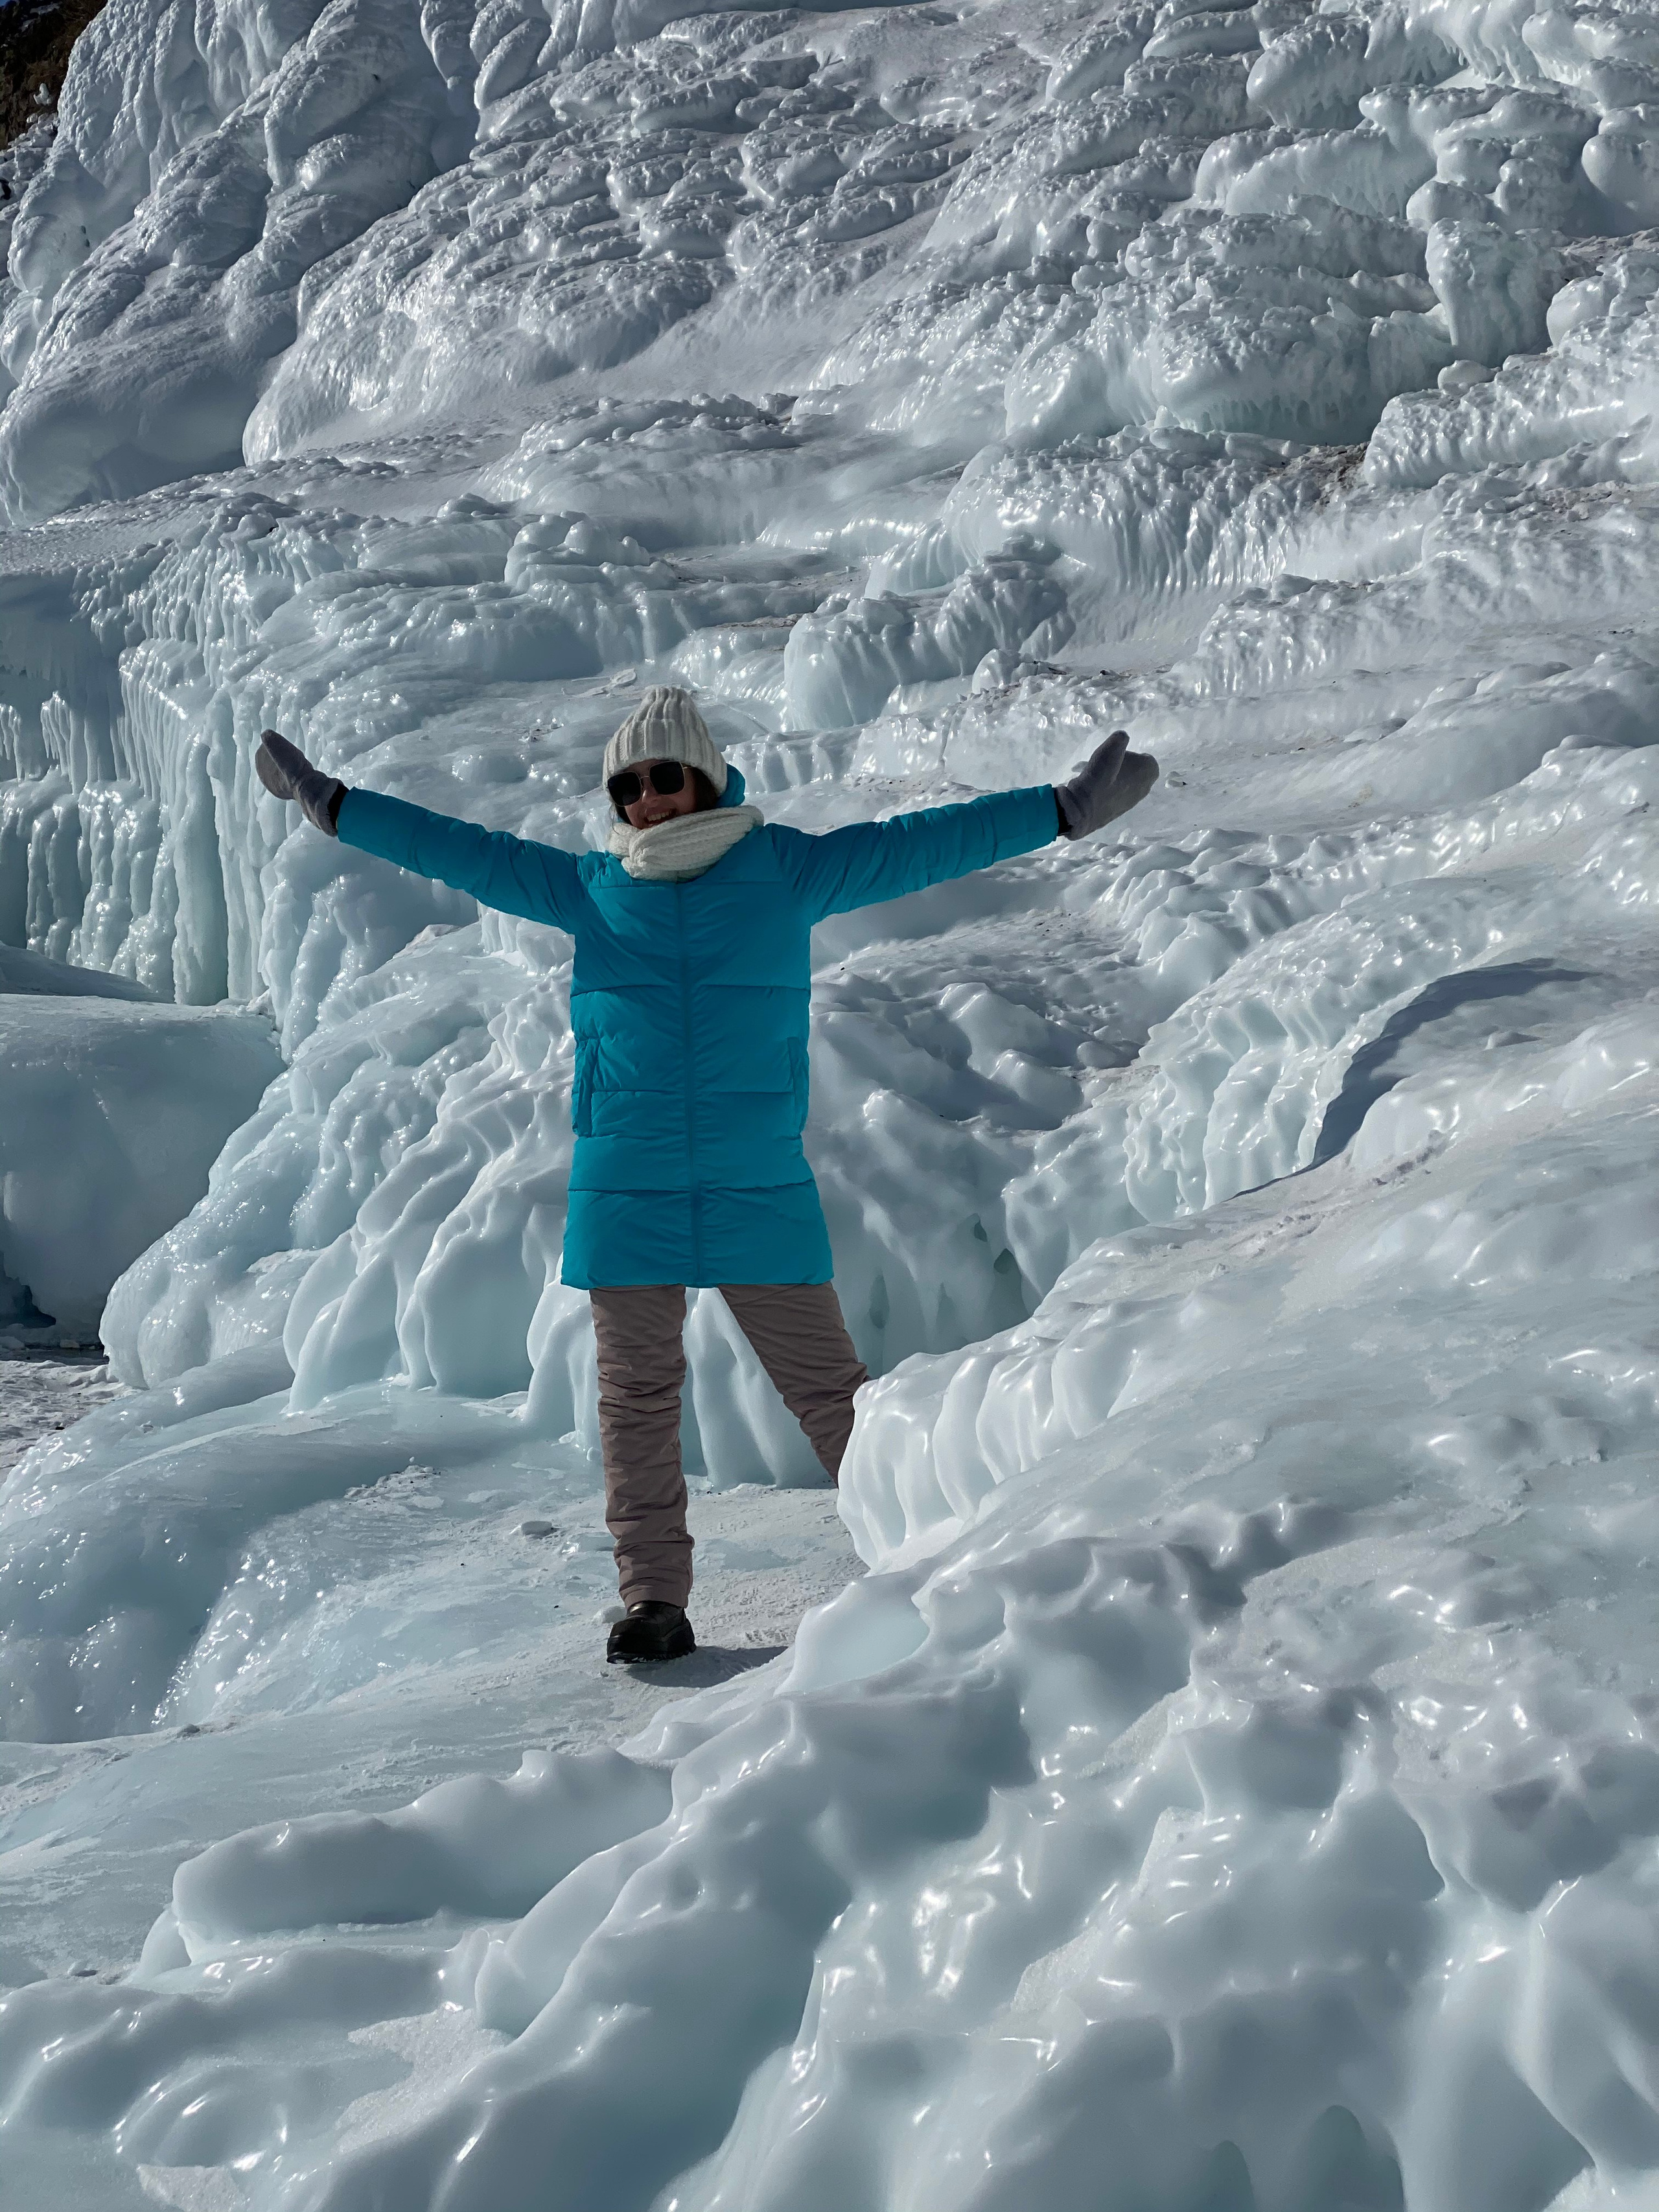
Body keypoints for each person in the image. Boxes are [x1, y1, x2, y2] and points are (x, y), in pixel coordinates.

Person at [256, 688, 1157, 1662]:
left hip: (752, 1178)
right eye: (629, 785)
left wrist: (1060, 810)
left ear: (707, 777)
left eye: (665, 777)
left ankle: (929, 1552)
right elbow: (457, 848)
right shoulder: (591, 888)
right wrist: (334, 802)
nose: (648, 798)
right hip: (626, 1186)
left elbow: (919, 843)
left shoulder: (785, 871)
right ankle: (653, 1600)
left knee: (831, 1394)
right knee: (634, 1400)